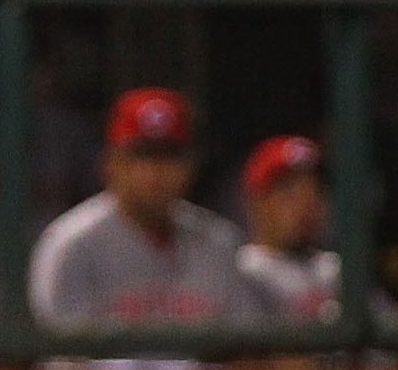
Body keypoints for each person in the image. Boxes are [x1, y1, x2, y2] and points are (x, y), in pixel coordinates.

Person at [29, 88, 270, 336]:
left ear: (191, 165)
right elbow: (64, 365)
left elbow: (246, 351)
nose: (154, 172)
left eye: (168, 155)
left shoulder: (220, 242)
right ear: (109, 163)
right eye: (141, 155)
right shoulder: (71, 244)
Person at [235, 134, 338, 323]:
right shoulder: (241, 269)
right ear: (258, 202)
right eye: (289, 191)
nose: (306, 204)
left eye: (315, 191)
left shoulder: (335, 268)